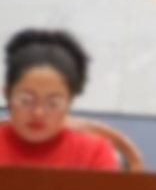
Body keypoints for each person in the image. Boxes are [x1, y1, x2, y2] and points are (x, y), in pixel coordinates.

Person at [1, 29, 119, 170]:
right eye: (26, 101)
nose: (38, 113)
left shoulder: (94, 151)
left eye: (53, 104)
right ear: (7, 94)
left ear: (70, 101)